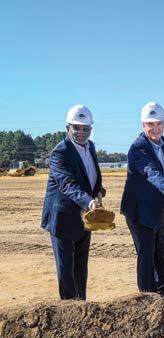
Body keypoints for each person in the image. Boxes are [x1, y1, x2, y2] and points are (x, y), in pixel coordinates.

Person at [120, 102, 164, 298]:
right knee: (147, 254)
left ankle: (163, 292)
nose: (156, 128)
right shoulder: (138, 148)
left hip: (160, 209)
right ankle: (148, 297)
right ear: (143, 125)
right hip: (139, 211)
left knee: (162, 252)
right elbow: (151, 173)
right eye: (151, 124)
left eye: (159, 124)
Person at [41, 105, 104, 300]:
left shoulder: (90, 147)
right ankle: (68, 310)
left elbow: (90, 175)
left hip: (85, 217)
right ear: (67, 127)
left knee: (81, 268)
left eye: (86, 128)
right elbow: (67, 184)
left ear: (91, 129)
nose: (81, 132)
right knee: (67, 272)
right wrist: (89, 202)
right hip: (63, 218)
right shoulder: (60, 153)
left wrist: (98, 191)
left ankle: (81, 307)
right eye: (76, 128)